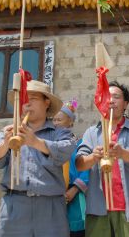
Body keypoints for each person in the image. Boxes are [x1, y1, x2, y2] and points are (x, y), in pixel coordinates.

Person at [0, 80, 76, 237]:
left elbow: (66, 150)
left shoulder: (59, 131)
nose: (27, 104)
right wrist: (6, 143)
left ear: (46, 102)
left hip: (51, 206)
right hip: (14, 205)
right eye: (23, 100)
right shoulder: (11, 130)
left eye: (32, 99)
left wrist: (35, 142)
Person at [76, 81, 129, 237]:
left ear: (125, 103)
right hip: (99, 209)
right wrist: (93, 157)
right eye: (106, 97)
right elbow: (79, 164)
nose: (111, 101)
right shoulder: (92, 133)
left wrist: (123, 153)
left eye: (116, 97)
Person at [53, 99, 89, 237]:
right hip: (53, 196)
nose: (56, 123)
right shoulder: (48, 145)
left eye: (59, 120)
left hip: (74, 195)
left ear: (70, 122)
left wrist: (73, 190)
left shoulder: (80, 144)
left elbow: (86, 170)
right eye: (54, 120)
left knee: (75, 230)